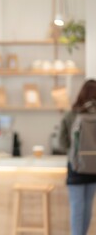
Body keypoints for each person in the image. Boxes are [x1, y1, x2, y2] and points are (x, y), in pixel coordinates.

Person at [59, 79, 96, 235]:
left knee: (76, 207)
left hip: (76, 166)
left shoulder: (71, 115)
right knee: (87, 206)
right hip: (94, 167)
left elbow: (62, 143)